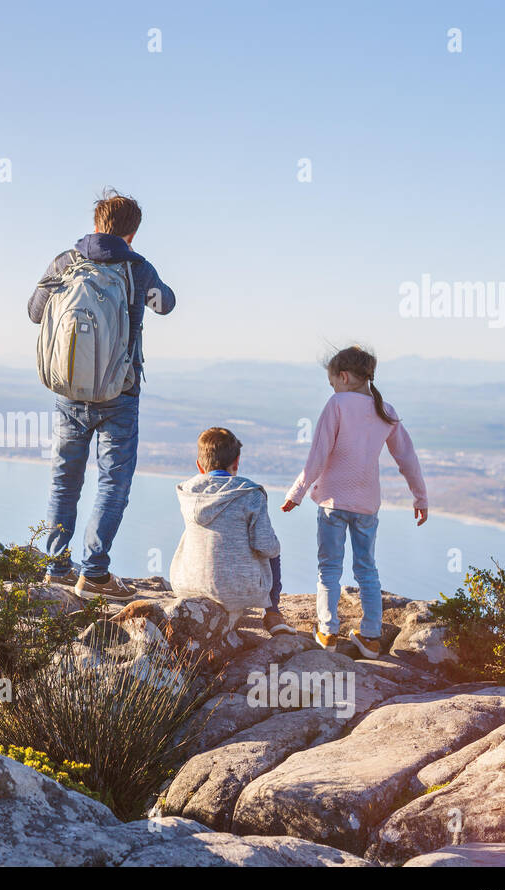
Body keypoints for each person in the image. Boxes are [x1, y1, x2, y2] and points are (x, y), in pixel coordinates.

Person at [28, 189, 175, 600]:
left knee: (64, 481)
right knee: (113, 484)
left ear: (96, 224)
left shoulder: (65, 262)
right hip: (119, 394)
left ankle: (56, 566)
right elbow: (167, 305)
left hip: (69, 392)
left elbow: (34, 312)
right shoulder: (136, 267)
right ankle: (94, 574)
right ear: (133, 232)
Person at [282, 345, 429, 658]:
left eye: (332, 380)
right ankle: (371, 636)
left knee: (328, 570)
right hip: (366, 506)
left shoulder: (337, 403)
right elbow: (407, 457)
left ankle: (327, 631)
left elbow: (318, 455)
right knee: (367, 570)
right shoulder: (385, 410)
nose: (332, 386)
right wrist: (420, 497)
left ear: (344, 376)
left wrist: (296, 492)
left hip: (332, 504)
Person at [169, 427, 292, 638]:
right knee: (273, 548)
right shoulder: (249, 494)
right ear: (236, 462)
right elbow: (265, 546)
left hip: (186, 584)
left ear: (199, 465)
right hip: (235, 590)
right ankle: (272, 613)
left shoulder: (187, 492)